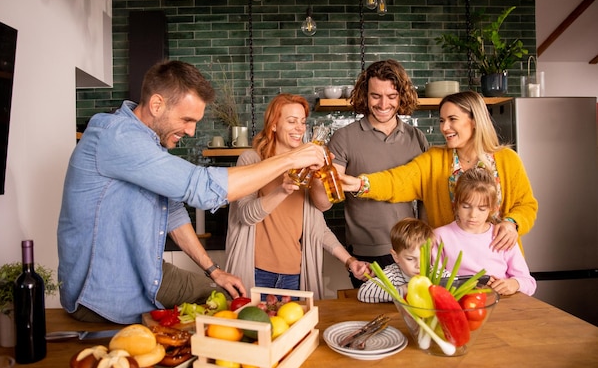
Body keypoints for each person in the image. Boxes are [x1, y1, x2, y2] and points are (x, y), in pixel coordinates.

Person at [57, 61, 325, 324]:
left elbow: (173, 211)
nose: (191, 130)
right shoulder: (117, 137)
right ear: (157, 105)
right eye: (187, 119)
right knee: (221, 317)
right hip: (106, 290)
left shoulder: (147, 142)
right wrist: (291, 159)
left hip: (148, 270)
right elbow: (203, 189)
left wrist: (213, 270)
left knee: (227, 296)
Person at [340, 90, 538, 254]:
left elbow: (526, 205)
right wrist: (360, 184)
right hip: (450, 264)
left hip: (499, 262)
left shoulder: (507, 159)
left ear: (475, 121)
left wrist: (513, 223)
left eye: (452, 119)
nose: (445, 127)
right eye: (442, 120)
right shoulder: (434, 160)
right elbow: (397, 181)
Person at [225, 94, 369, 298]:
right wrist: (282, 190)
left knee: (299, 330)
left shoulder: (306, 168)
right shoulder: (251, 160)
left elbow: (319, 227)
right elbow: (247, 215)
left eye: (302, 122)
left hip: (295, 277)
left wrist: (350, 261)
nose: (300, 128)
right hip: (256, 274)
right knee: (255, 329)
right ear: (273, 125)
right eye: (291, 121)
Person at [312, 59, 429, 288]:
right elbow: (323, 203)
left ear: (401, 96)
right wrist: (318, 176)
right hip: (368, 255)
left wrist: (426, 245)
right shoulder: (344, 138)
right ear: (365, 96)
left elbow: (425, 199)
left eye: (392, 96)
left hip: (412, 252)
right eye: (376, 96)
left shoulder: (417, 138)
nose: (383, 104)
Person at [433, 167, 536, 296]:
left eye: (482, 209)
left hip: (503, 306)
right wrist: (471, 284)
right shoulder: (440, 237)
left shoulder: (503, 236)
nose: (473, 215)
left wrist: (514, 283)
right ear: (456, 203)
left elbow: (529, 283)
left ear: (492, 208)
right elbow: (432, 282)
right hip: (459, 307)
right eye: (466, 206)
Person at [358, 218, 449, 303]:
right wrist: (403, 290)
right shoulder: (393, 274)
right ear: (396, 256)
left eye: (425, 258)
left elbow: (458, 283)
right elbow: (364, 292)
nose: (419, 265)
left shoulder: (435, 273)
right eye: (410, 259)